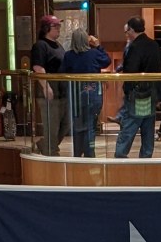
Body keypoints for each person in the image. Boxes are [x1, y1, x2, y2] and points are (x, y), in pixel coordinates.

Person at [114, 17, 161, 159]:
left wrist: (127, 90)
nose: (126, 33)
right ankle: (146, 159)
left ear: (131, 29)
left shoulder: (134, 47)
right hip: (151, 92)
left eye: (127, 30)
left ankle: (120, 155)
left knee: (129, 126)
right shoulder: (154, 45)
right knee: (148, 128)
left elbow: (131, 71)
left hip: (136, 93)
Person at [61, 28, 110, 157]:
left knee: (77, 125)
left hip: (75, 94)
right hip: (93, 93)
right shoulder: (94, 53)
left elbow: (62, 72)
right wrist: (98, 45)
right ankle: (89, 154)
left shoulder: (69, 55)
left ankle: (77, 153)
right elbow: (106, 61)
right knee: (90, 125)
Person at [30, 15, 69, 156]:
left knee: (66, 123)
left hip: (62, 90)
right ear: (46, 28)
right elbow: (38, 67)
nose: (58, 29)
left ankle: (45, 144)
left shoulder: (58, 45)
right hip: (50, 89)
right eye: (55, 26)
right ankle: (51, 152)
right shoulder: (40, 45)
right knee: (52, 125)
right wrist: (46, 86)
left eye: (59, 26)